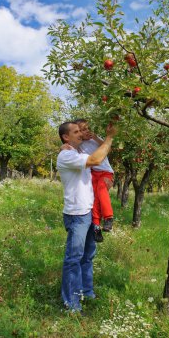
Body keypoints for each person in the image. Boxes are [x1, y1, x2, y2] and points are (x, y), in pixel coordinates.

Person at [57, 121, 116, 313]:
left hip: (89, 211)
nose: (80, 134)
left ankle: (87, 292)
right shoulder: (66, 155)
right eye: (75, 132)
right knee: (74, 259)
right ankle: (71, 303)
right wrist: (109, 138)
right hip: (77, 214)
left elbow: (99, 163)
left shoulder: (77, 152)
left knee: (87, 256)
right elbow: (96, 160)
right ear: (66, 137)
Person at [74, 118, 114, 243]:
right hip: (93, 173)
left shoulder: (95, 139)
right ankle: (96, 227)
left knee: (102, 191)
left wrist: (96, 138)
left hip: (105, 172)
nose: (86, 131)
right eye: (82, 130)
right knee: (94, 199)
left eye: (87, 128)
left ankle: (108, 217)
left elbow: (108, 148)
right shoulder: (78, 145)